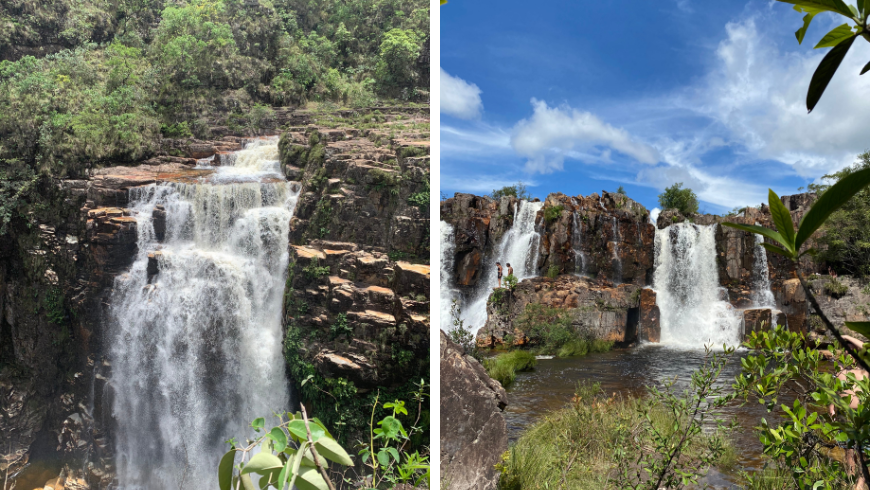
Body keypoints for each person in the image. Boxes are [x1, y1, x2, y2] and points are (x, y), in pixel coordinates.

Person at [828, 335, 868, 490]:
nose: (849, 355)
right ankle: (850, 480)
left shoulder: (865, 369)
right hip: (845, 416)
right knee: (849, 452)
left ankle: (860, 482)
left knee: (863, 453)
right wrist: (831, 409)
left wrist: (845, 336)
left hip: (863, 416)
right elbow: (833, 392)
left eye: (853, 352)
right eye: (847, 352)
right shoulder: (840, 370)